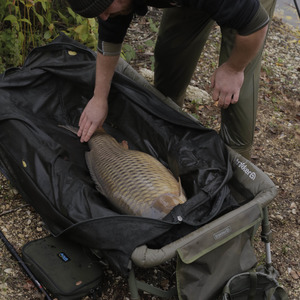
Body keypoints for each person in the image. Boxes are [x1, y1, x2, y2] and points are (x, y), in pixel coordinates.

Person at [67, 0, 276, 159]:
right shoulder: (111, 4)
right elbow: (110, 36)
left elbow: (255, 24)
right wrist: (99, 98)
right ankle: (171, 141)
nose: (102, 17)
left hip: (251, 12)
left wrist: (233, 68)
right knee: (169, 63)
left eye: (104, 8)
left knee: (236, 100)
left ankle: (238, 185)